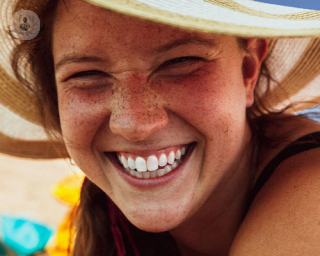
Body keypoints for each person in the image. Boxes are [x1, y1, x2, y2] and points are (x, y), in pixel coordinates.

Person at [1, 0, 320, 255]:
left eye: (179, 63)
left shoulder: (311, 192)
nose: (134, 125)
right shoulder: (102, 218)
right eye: (87, 76)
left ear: (248, 70)